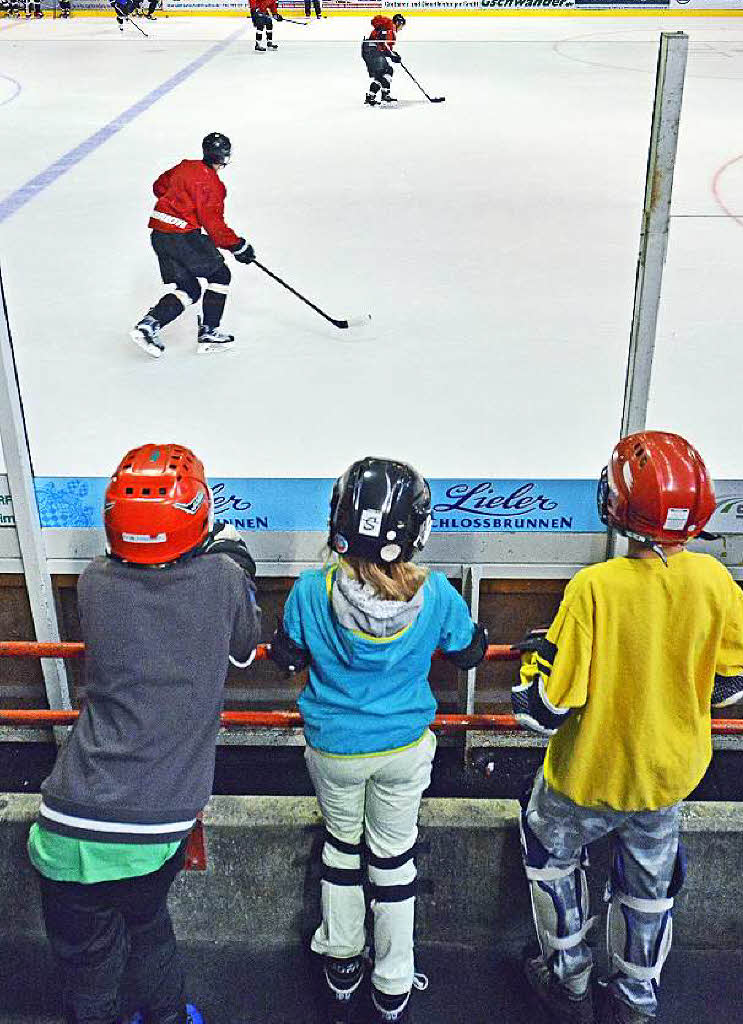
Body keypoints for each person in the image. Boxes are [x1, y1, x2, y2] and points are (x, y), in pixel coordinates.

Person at [510, 431, 743, 1024]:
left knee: (551, 857)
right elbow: (731, 683)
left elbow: (545, 708)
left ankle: (568, 977)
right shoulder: (716, 583)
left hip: (584, 777)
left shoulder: (595, 590)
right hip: (667, 778)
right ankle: (636, 997)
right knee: (650, 890)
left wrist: (534, 663)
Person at [27, 443, 262, 1024]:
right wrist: (235, 562)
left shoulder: (94, 582)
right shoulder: (223, 580)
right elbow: (240, 650)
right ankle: (169, 1018)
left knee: (89, 970)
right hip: (159, 823)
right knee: (149, 926)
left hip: (69, 819)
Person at [270, 457, 488, 1024]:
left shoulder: (310, 591)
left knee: (342, 848)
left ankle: (341, 960)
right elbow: (468, 651)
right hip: (403, 748)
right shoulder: (436, 594)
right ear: (417, 532)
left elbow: (287, 655)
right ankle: (392, 982)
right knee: (394, 860)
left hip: (335, 749)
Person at [129, 134, 256, 357]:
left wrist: (180, 199)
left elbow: (159, 187)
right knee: (220, 275)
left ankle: (148, 326)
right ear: (225, 157)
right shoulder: (213, 185)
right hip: (183, 237)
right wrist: (238, 246)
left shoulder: (185, 167)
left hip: (160, 235)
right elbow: (214, 226)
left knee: (189, 289)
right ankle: (209, 332)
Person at [361, 12, 405, 106]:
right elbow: (384, 45)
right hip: (373, 51)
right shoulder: (390, 29)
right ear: (398, 23)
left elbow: (383, 46)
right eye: (402, 26)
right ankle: (385, 96)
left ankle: (370, 97)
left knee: (380, 74)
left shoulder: (386, 27)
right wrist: (393, 55)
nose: (401, 28)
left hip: (368, 50)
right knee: (388, 70)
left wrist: (393, 55)